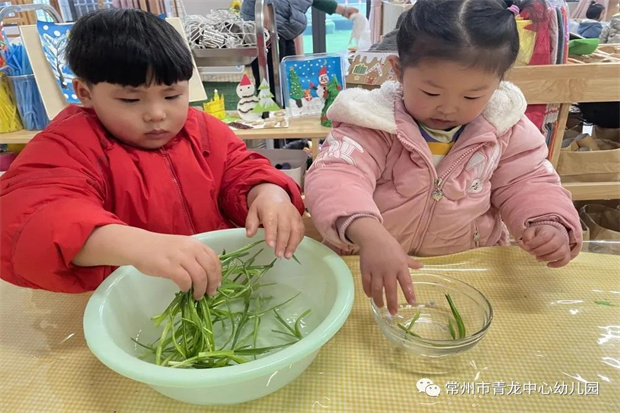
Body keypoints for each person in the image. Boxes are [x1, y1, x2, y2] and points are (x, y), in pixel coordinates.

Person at [0, 9, 305, 299]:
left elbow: (241, 169)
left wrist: (269, 193)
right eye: (131, 100)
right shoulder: (69, 144)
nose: (157, 114)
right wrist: (137, 246)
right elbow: (30, 215)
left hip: (219, 281)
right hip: (134, 298)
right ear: (85, 93)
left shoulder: (204, 130)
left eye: (172, 95)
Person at [305, 0, 582, 315]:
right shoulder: (372, 124)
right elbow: (337, 175)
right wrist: (368, 234)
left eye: (472, 96)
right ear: (398, 71)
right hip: (369, 262)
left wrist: (548, 221)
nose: (449, 108)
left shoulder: (505, 129)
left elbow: (528, 181)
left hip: (467, 266)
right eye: (431, 93)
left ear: (499, 83)